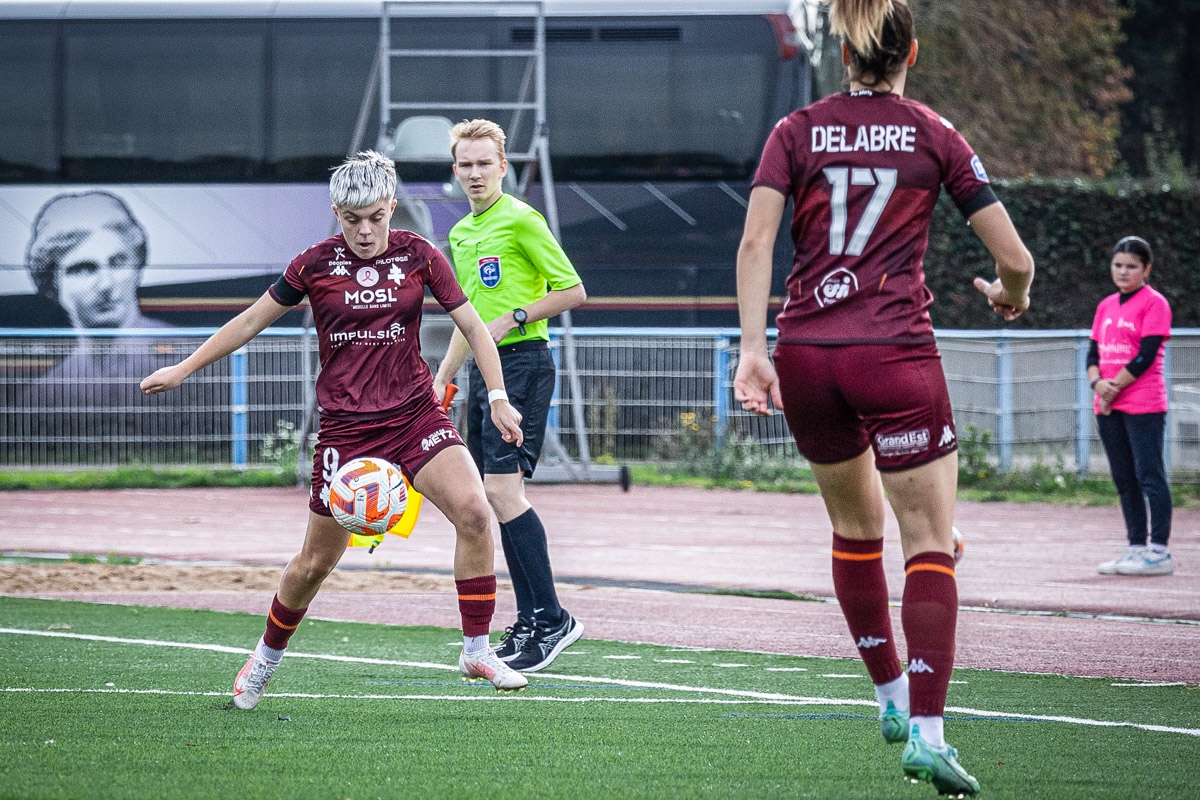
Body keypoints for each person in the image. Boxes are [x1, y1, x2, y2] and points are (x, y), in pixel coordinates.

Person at [733, 0, 1033, 795]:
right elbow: (1018, 259)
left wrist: (755, 350)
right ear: (913, 52)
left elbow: (757, 242)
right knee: (930, 543)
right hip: (894, 352)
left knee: (854, 529)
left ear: (842, 46)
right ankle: (930, 733)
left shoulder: (794, 131)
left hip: (806, 354)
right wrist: (1008, 294)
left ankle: (890, 695)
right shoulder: (935, 133)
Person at [141, 150, 530, 707]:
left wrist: (497, 398)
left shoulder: (420, 256)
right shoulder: (313, 264)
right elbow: (251, 319)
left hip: (415, 415)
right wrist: (183, 368)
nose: (366, 231)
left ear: (391, 206)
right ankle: (264, 660)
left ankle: (476, 649)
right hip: (347, 433)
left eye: (375, 216)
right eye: (352, 219)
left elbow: (474, 326)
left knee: (474, 512)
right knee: (316, 562)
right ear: (336, 213)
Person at [433, 119, 587, 672]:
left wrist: (514, 317)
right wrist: (442, 379)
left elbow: (573, 290)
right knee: (493, 498)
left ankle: (551, 618)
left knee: (501, 491)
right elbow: (465, 319)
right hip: (483, 373)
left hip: (522, 365)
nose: (474, 173)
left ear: (503, 166)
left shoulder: (522, 219)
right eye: (465, 165)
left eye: (484, 163)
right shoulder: (461, 233)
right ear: (455, 171)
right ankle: (529, 620)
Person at [1089, 236, 1174, 576]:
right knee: (1124, 478)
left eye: (1131, 266)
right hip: (1108, 405)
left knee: (1150, 475)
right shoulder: (1106, 306)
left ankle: (1160, 552)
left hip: (1143, 403)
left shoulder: (1155, 304)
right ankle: (1136, 547)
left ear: (1146, 269)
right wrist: (1098, 384)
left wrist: (1112, 389)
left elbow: (1146, 355)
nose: (1123, 272)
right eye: (1118, 265)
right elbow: (1093, 353)